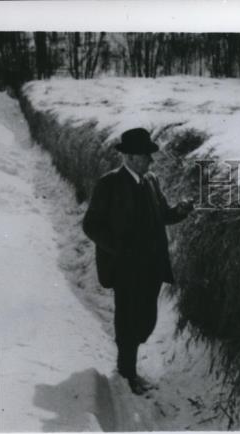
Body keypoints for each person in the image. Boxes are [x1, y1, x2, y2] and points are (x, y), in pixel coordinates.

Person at [82, 127, 194, 395]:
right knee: (128, 320)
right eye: (146, 156)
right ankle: (127, 372)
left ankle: (128, 357)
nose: (150, 161)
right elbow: (91, 225)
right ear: (131, 157)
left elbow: (163, 214)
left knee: (146, 321)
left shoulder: (151, 181)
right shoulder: (109, 184)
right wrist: (119, 249)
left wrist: (180, 210)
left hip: (151, 267)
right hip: (125, 269)